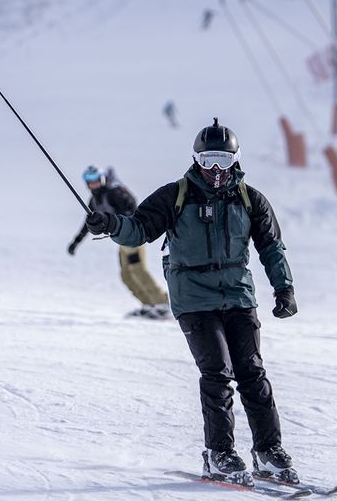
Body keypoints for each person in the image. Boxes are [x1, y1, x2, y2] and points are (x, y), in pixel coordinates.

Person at [84, 118, 298, 486]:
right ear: (196, 159)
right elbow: (139, 228)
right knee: (217, 373)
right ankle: (220, 454)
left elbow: (271, 247)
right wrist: (111, 224)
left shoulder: (250, 199)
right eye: (208, 159)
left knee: (252, 372)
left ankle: (269, 451)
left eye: (223, 160)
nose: (216, 168)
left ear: (235, 160)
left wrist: (284, 288)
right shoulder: (175, 195)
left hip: (238, 294)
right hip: (194, 298)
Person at [68, 165, 170, 318]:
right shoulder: (94, 201)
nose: (94, 184)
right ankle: (148, 304)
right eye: (90, 181)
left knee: (138, 270)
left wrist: (119, 222)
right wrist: (76, 242)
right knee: (126, 275)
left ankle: (162, 304)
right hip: (122, 243)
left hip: (133, 239)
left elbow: (133, 206)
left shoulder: (115, 192)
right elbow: (88, 223)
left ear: (103, 178)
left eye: (96, 179)